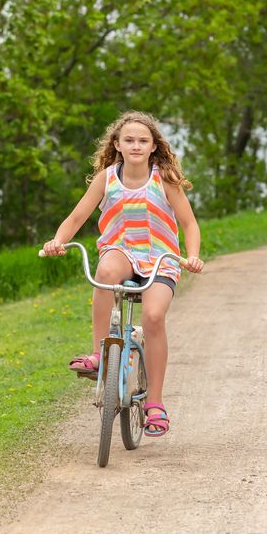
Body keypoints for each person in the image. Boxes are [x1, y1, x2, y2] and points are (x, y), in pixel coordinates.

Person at [42, 110, 204, 436]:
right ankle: (100, 354)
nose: (135, 146)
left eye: (143, 141)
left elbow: (189, 223)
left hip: (161, 256)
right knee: (104, 270)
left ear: (153, 147)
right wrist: (58, 241)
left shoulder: (164, 179)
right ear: (116, 144)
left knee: (155, 317)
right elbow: (76, 218)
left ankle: (155, 403)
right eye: (129, 140)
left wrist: (193, 255)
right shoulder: (107, 178)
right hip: (122, 251)